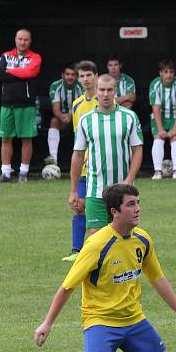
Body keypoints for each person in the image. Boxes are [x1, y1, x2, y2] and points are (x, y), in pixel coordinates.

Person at [20, 183, 176, 352]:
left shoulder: (142, 239)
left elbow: (158, 278)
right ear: (114, 211)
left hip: (134, 320)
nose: (137, 209)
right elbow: (67, 287)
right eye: (130, 204)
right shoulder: (96, 244)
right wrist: (47, 323)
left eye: (138, 202)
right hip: (100, 321)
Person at [69, 74, 143, 237]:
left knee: (125, 236)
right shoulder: (85, 120)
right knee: (97, 237)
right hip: (95, 189)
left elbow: (137, 150)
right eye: (102, 90)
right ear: (96, 91)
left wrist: (130, 178)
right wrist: (73, 190)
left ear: (115, 91)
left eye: (109, 90)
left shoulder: (129, 117)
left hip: (123, 189)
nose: (105, 94)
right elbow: (78, 155)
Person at [0, 28, 42, 184]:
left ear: (30, 41)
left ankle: (23, 173)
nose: (22, 42)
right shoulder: (5, 56)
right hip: (7, 105)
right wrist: (20, 73)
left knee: (26, 139)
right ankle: (6, 174)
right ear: (15, 39)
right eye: (20, 39)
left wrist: (11, 71)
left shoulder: (35, 57)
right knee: (5, 138)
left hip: (26, 105)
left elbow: (30, 73)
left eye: (26, 39)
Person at [62, 60, 99, 262]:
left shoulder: (106, 101)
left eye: (88, 75)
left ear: (96, 76)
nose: (85, 79)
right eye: (82, 76)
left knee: (105, 207)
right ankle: (76, 251)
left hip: (101, 167)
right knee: (79, 205)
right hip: (84, 167)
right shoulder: (77, 104)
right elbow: (79, 139)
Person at [148, 58, 176, 180]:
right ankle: (158, 171)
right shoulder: (155, 84)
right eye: (165, 72)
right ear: (160, 73)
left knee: (175, 138)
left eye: (171, 72)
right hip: (160, 117)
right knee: (158, 138)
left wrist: (174, 129)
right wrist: (160, 129)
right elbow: (156, 108)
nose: (168, 75)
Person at [46, 62, 82, 166]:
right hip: (63, 119)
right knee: (54, 121)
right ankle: (53, 160)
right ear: (63, 75)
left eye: (72, 74)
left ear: (76, 76)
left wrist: (71, 116)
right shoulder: (55, 86)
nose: (70, 77)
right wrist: (63, 117)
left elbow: (82, 106)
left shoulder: (81, 85)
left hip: (79, 118)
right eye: (67, 74)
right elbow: (56, 109)